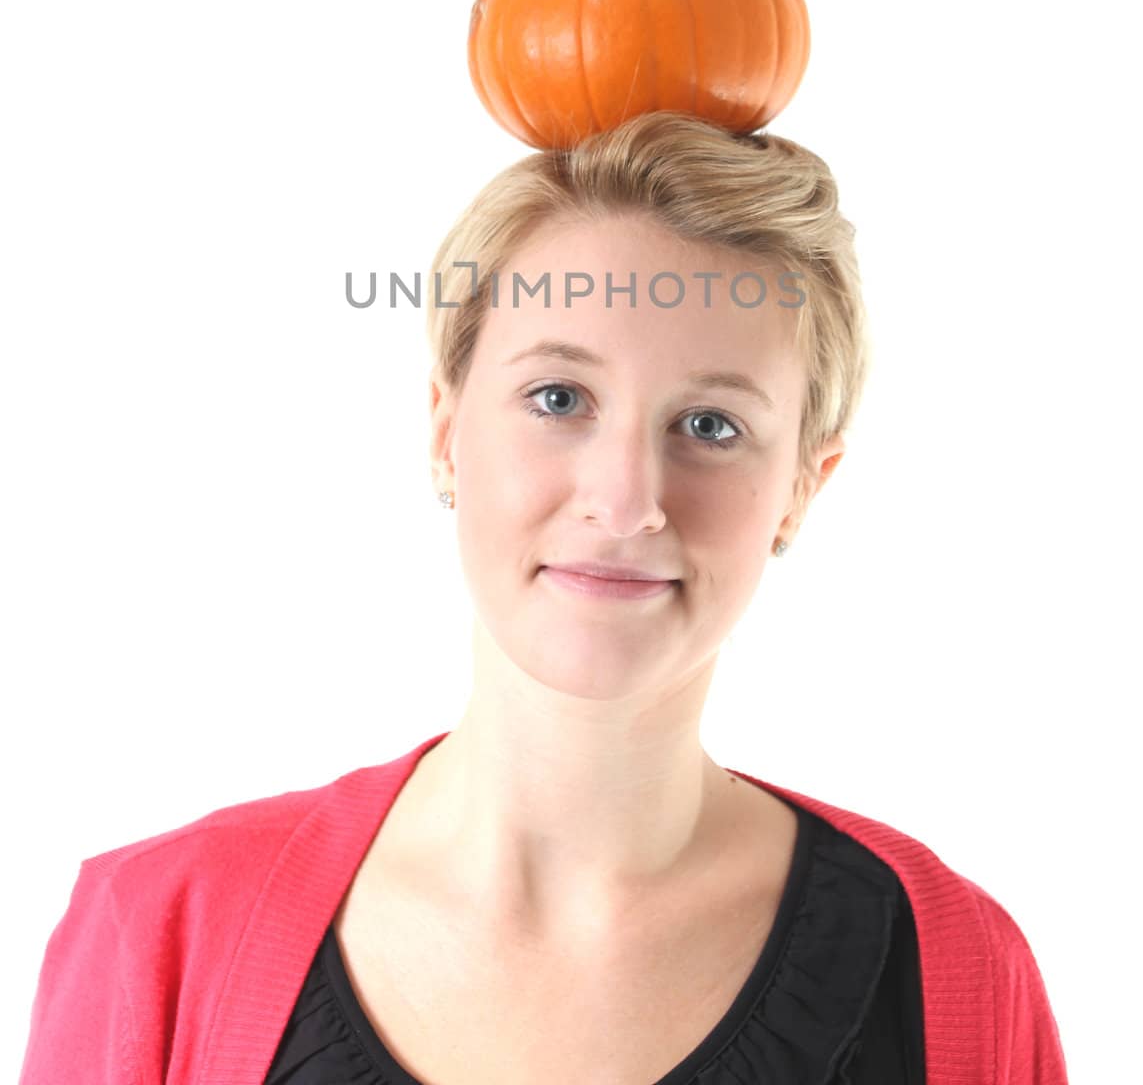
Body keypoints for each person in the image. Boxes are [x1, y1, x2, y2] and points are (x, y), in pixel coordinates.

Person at [19, 111, 1069, 1084]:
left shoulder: (955, 971)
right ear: (444, 429)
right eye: (558, 398)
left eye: (710, 425)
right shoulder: (158, 931)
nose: (625, 502)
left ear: (802, 486)